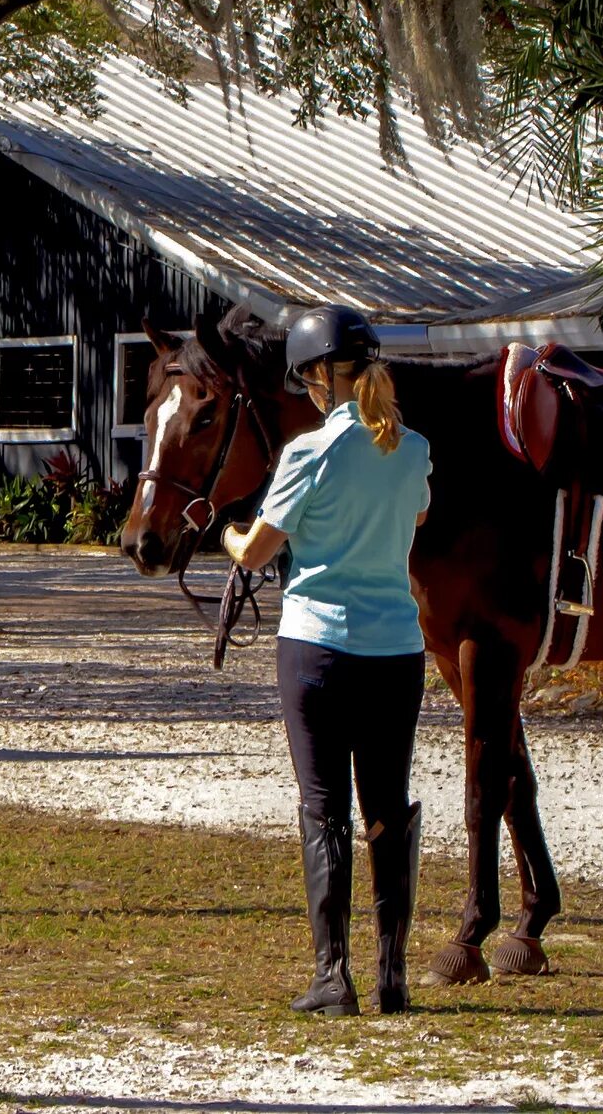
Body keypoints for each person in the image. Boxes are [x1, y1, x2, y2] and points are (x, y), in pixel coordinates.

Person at [221, 303, 431, 1017]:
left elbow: (258, 551)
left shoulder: (307, 453)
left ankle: (332, 976)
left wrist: (227, 536)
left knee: (324, 806)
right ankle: (393, 974)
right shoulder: (413, 449)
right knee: (388, 805)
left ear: (317, 377)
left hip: (316, 645)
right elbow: (418, 516)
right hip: (396, 648)